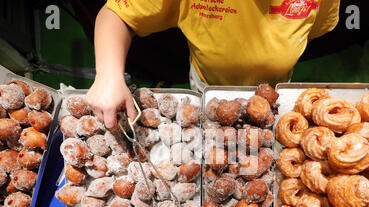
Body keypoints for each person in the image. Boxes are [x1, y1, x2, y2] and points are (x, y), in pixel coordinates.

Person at [86, 0, 340, 129]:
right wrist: (108, 75)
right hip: (207, 85)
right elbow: (116, 14)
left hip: (275, 89)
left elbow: (315, 28)